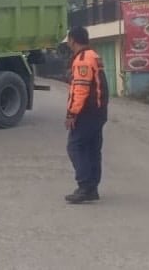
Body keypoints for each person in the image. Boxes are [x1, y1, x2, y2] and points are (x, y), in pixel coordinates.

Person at [64, 26, 109, 203]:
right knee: (92, 149)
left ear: (72, 40)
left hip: (87, 112)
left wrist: (71, 113)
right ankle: (92, 188)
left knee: (75, 147)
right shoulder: (93, 56)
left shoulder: (83, 59)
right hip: (98, 111)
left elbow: (80, 90)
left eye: (68, 39)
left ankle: (84, 187)